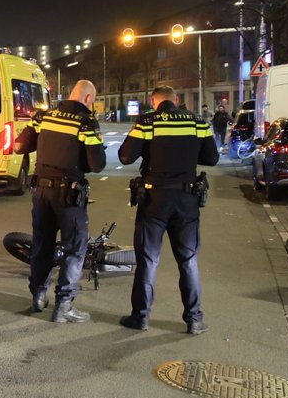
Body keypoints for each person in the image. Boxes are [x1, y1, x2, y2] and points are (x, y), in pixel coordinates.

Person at [117, 85, 220, 334]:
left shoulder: (147, 122)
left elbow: (125, 157)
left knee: (148, 261)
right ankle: (194, 319)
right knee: (188, 260)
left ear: (154, 101)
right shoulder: (197, 122)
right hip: (186, 200)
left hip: (154, 199)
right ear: (175, 100)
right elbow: (212, 158)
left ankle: (140, 317)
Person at [13, 79, 107, 322]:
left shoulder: (42, 117)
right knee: (74, 249)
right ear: (87, 99)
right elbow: (98, 164)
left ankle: (38, 297)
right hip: (69, 195)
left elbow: (19, 146)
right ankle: (63, 306)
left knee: (42, 245)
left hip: (41, 193)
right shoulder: (86, 122)